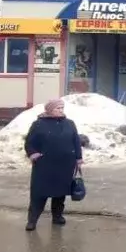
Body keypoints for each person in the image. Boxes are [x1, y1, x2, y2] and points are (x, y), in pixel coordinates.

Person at [23, 99, 83, 231]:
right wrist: (34, 154)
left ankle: (57, 216)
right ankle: (32, 220)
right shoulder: (38, 124)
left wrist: (78, 158)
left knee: (60, 193)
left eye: (62, 108)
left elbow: (76, 141)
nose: (61, 110)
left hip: (65, 164)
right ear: (50, 110)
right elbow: (29, 143)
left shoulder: (69, 123)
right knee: (39, 193)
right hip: (45, 165)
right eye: (58, 108)